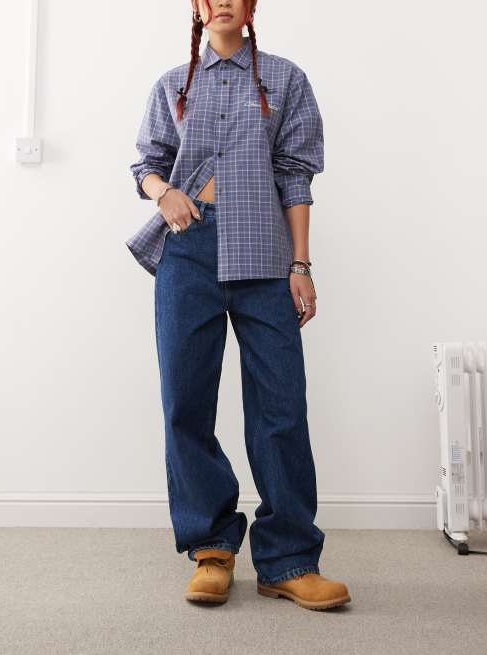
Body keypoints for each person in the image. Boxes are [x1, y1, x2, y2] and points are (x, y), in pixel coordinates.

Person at [126, 0, 351, 611]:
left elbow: (296, 176)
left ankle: (290, 560)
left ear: (251, 6)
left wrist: (301, 266)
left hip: (265, 254)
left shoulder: (285, 79)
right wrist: (165, 192)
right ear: (198, 7)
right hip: (188, 253)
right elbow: (145, 165)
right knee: (186, 402)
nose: (222, 0)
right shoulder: (172, 84)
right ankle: (211, 549)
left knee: (281, 406)